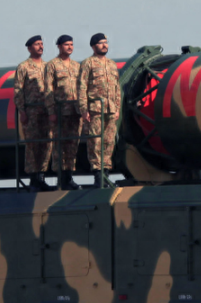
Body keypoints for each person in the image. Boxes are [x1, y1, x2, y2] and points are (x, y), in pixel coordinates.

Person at [77, 33, 121, 187]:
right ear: (94, 46)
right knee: (95, 142)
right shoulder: (88, 63)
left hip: (111, 109)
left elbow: (117, 88)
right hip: (95, 110)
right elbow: (82, 87)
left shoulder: (112, 64)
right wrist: (84, 108)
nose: (105, 45)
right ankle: (98, 175)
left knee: (109, 142)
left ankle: (106, 173)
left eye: (106, 42)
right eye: (101, 43)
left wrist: (117, 108)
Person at [14, 35, 52, 191]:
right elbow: (18, 90)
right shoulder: (24, 67)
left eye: (42, 44)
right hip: (32, 113)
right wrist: (22, 111)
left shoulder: (48, 67)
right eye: (37, 44)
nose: (41, 47)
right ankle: (33, 179)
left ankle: (41, 176)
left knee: (47, 144)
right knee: (32, 145)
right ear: (30, 48)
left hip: (46, 112)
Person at [44, 34, 82, 190]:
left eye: (71, 44)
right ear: (59, 47)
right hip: (60, 112)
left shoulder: (77, 66)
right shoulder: (52, 65)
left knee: (73, 144)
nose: (70, 47)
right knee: (60, 146)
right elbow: (48, 90)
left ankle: (69, 177)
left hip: (75, 112)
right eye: (67, 44)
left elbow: (82, 88)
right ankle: (61, 177)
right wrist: (51, 111)